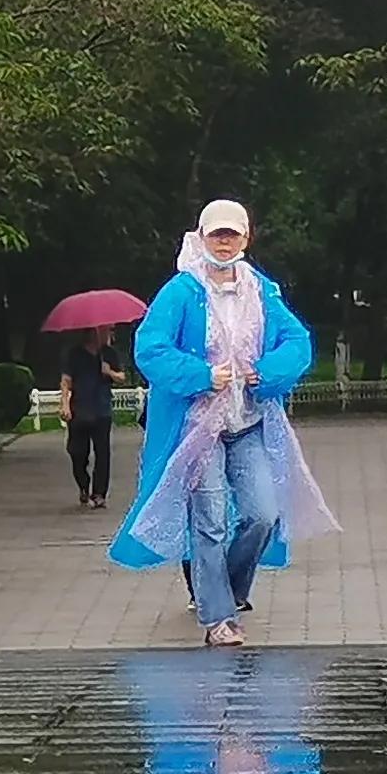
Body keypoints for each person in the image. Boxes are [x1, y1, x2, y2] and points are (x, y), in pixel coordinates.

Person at [109, 201, 324, 648]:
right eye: (217, 234)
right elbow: (150, 347)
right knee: (208, 522)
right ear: (201, 236)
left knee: (263, 514)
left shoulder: (261, 290)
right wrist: (201, 376)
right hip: (196, 429)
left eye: (233, 234)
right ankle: (218, 618)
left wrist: (266, 371)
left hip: (246, 421)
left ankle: (225, 589)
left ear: (247, 238)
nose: (225, 242)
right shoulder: (182, 291)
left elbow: (298, 341)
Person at [62, 325, 124, 510]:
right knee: (77, 451)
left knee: (102, 453)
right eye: (107, 330)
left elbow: (121, 377)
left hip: (101, 409)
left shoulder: (109, 354)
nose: (110, 334)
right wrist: (64, 404)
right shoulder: (74, 354)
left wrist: (109, 372)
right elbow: (66, 380)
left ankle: (99, 494)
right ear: (94, 331)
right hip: (79, 409)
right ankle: (83, 484)